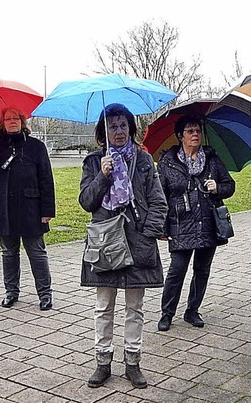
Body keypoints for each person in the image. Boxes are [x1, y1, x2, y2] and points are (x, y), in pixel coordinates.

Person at [79, 103, 168, 389]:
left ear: (131, 128)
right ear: (102, 133)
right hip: (105, 242)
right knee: (103, 306)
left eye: (122, 125)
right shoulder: (94, 161)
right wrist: (102, 176)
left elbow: (158, 202)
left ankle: (133, 362)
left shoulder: (143, 160)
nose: (118, 131)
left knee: (135, 308)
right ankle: (102, 362)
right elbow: (86, 202)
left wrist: (146, 234)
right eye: (112, 126)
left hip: (136, 243)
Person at [156, 115, 235, 331]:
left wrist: (217, 187)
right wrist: (162, 228)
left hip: (207, 224)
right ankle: (167, 313)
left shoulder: (212, 160)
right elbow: (160, 196)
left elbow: (230, 185)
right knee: (177, 271)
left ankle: (192, 310)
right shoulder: (168, 162)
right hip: (180, 225)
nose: (195, 135)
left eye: (198, 131)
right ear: (180, 135)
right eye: (190, 131)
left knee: (202, 270)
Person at [0, 107, 55, 311]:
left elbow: (46, 179)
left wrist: (47, 211)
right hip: (3, 210)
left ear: (22, 122)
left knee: (37, 253)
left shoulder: (36, 147)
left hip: (31, 209)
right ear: (2, 123)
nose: (12, 121)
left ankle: (45, 294)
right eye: (8, 118)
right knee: (8, 253)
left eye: (16, 118)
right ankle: (11, 292)